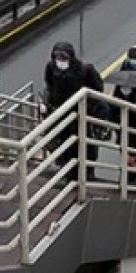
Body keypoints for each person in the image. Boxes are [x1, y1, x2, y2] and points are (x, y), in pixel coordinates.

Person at [40, 42, 107, 174]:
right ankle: (68, 171)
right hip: (61, 113)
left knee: (85, 146)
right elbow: (49, 87)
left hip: (82, 115)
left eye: (64, 58)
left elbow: (97, 91)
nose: (60, 61)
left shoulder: (85, 70)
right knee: (61, 143)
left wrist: (86, 107)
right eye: (57, 58)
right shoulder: (51, 68)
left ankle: (86, 173)